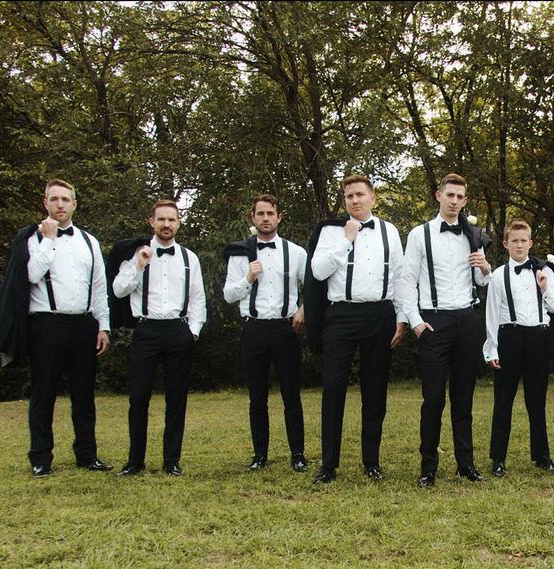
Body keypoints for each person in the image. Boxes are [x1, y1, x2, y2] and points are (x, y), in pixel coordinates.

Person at [0, 179, 113, 477]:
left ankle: (87, 454)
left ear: (74, 204)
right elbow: (30, 275)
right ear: (45, 203)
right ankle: (40, 457)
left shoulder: (89, 241)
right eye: (54, 199)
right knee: (43, 393)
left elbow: (98, 287)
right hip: (46, 323)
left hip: (83, 323)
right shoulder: (32, 238)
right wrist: (50, 239)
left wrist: (103, 326)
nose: (60, 204)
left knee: (84, 394)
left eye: (65, 199)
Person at [308, 175, 406, 485]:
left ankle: (371, 461)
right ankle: (328, 464)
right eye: (349, 195)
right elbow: (318, 271)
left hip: (380, 313)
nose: (355, 200)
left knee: (375, 390)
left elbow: (400, 277)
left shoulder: (389, 230)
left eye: (360, 194)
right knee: (334, 388)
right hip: (341, 315)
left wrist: (400, 317)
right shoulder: (330, 232)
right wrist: (345, 239)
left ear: (372, 198)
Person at [396, 173, 492, 488]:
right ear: (439, 196)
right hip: (434, 322)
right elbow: (407, 280)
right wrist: (415, 321)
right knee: (433, 398)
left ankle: (466, 464)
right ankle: (428, 467)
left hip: (466, 320)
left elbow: (483, 283)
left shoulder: (474, 234)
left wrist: (485, 268)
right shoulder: (419, 235)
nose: (454, 201)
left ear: (464, 201)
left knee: (463, 398)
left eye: (459, 197)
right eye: (449, 195)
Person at [112, 199, 207, 477]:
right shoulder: (136, 255)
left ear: (178, 223)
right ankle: (134, 461)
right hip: (147, 331)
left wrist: (193, 331)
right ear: (151, 223)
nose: (166, 224)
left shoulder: (190, 258)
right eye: (161, 219)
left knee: (176, 398)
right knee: (139, 396)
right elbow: (118, 290)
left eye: (172, 219)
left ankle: (171, 461)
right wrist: (139, 266)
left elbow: (198, 298)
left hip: (179, 332)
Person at [223, 194, 309, 473]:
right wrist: (247, 277)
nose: (265, 218)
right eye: (260, 213)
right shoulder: (240, 254)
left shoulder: (295, 252)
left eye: (270, 213)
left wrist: (304, 309)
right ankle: (259, 455)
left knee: (291, 395)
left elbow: (313, 287)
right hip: (254, 328)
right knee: (257, 396)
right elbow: (228, 295)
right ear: (253, 218)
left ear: (279, 217)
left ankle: (297, 454)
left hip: (285, 328)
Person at [483, 218, 554, 479]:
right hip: (510, 337)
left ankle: (542, 456)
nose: (519, 245)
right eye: (514, 241)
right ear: (506, 244)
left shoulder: (544, 271)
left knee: (537, 400)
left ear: (531, 242)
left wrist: (544, 288)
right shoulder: (497, 275)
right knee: (503, 400)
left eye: (523, 241)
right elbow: (492, 314)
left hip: (537, 338)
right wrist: (491, 349)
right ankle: (498, 459)